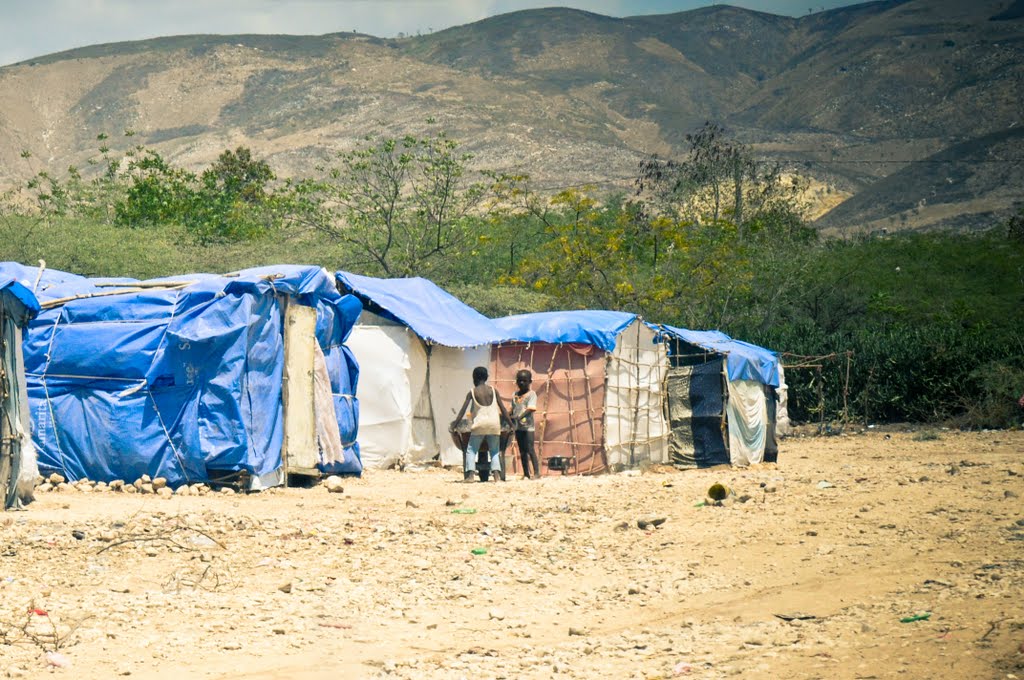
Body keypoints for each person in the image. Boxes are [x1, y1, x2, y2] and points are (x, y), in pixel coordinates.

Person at [453, 366, 511, 482]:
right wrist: (511, 424)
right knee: (494, 451)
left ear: (474, 378)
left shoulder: (472, 392)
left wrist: (455, 424)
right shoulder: (494, 391)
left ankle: (470, 476)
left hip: (479, 425)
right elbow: (503, 409)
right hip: (494, 424)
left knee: (471, 450)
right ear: (486, 378)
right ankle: (496, 476)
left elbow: (463, 410)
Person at [511, 369, 541, 479]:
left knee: (530, 449)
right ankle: (526, 473)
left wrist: (519, 417)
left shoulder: (532, 394)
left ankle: (537, 473)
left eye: (524, 381)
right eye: (519, 380)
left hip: (528, 427)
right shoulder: (514, 395)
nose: (521, 383)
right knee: (522, 451)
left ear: (530, 381)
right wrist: (508, 416)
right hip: (518, 427)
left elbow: (531, 409)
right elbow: (512, 409)